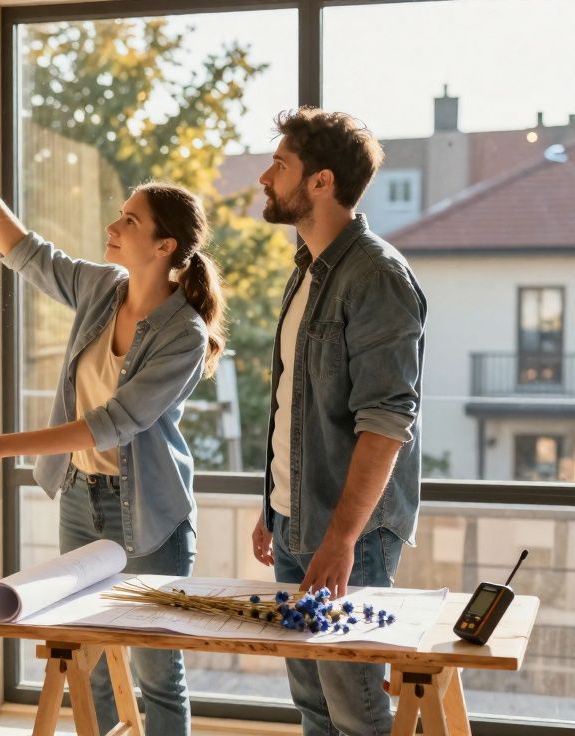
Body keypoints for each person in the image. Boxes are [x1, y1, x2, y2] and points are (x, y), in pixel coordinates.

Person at [0, 113, 226, 735]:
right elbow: (25, 254)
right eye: (119, 214)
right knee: (87, 661)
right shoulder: (102, 287)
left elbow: (110, 425)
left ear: (165, 246)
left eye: (130, 220)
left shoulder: (184, 334)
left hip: (150, 515)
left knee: (157, 673)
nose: (113, 225)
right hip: (80, 500)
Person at [252, 107, 427, 735]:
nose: (264, 177)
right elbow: (292, 406)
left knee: (355, 710)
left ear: (321, 182)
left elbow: (385, 423)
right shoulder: (305, 273)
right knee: (314, 705)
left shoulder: (376, 276)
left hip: (347, 535)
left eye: (280, 165)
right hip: (296, 521)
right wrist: (271, 503)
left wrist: (341, 540)